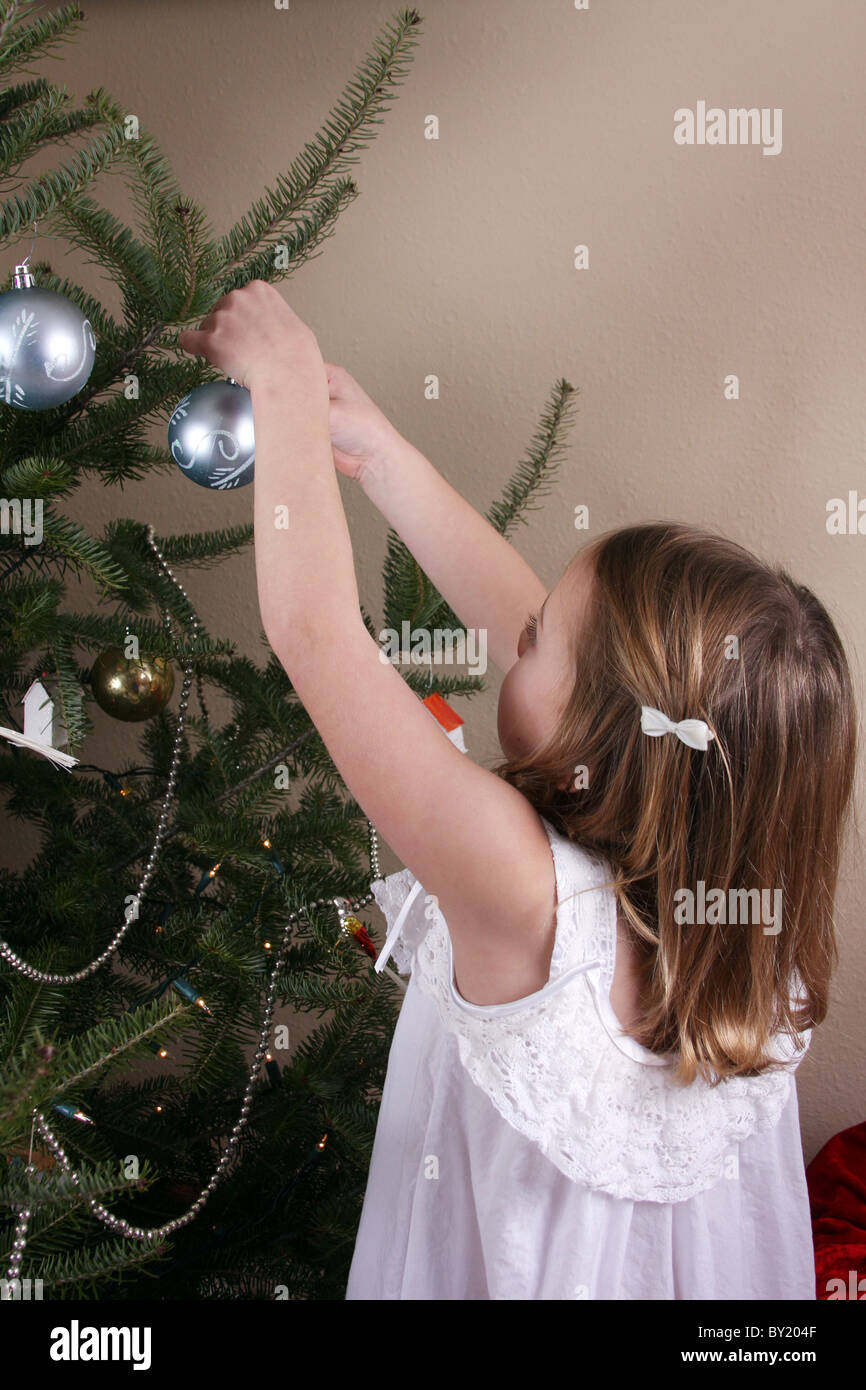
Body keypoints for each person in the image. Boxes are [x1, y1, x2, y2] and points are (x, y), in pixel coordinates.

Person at [179, 282, 858, 1300]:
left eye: (536, 641)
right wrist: (383, 457)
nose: (516, 632)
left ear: (601, 730)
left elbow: (317, 634)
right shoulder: (740, 909)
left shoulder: (518, 881)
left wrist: (278, 381)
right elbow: (560, 651)